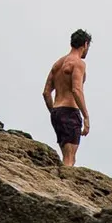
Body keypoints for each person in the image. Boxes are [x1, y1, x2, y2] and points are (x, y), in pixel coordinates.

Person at [42, 29, 92, 167]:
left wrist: (54, 113)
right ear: (85, 44)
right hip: (70, 113)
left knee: (66, 157)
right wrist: (86, 116)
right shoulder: (78, 63)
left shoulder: (58, 64)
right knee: (70, 159)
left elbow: (46, 93)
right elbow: (76, 90)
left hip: (57, 112)